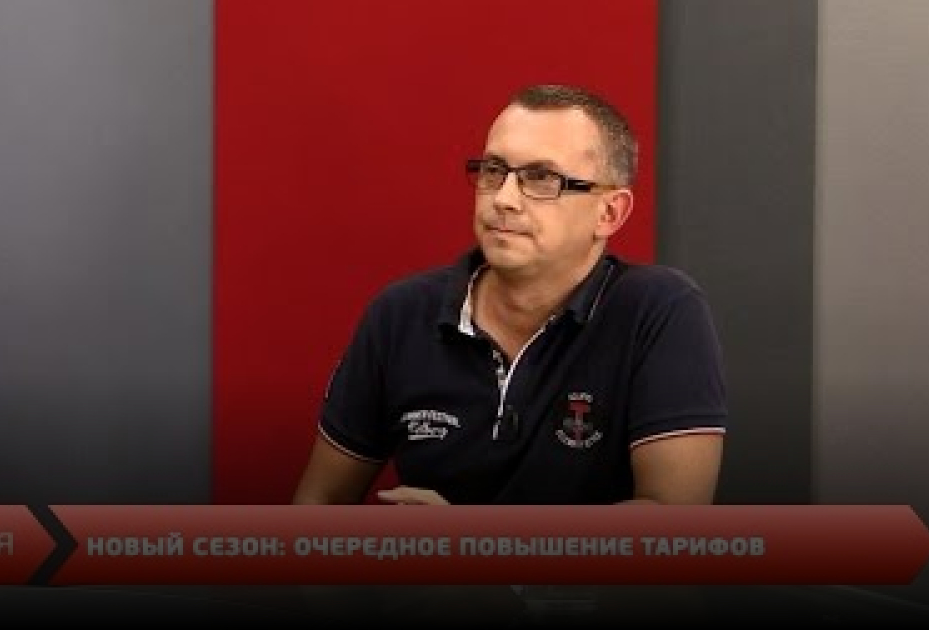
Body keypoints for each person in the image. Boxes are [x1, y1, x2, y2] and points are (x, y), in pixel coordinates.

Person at [289, 84, 727, 626]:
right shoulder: (401, 313)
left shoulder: (658, 310)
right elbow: (319, 507)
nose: (504, 198)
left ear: (610, 212)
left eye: (541, 179)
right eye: (494, 171)